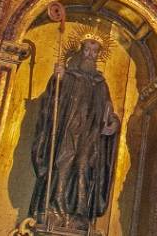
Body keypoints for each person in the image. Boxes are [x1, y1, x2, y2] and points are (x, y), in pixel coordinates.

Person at [27, 38, 121, 221]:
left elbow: (108, 109)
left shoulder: (101, 84)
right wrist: (57, 80)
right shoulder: (69, 76)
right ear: (80, 51)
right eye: (87, 50)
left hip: (89, 136)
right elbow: (52, 101)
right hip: (67, 132)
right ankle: (52, 210)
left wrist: (113, 123)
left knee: (83, 168)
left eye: (94, 51)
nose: (90, 55)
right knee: (62, 166)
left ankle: (78, 215)